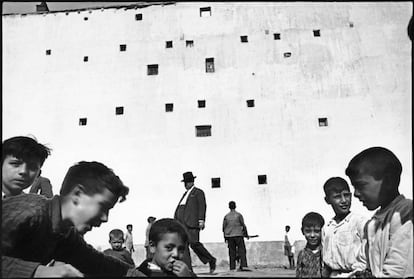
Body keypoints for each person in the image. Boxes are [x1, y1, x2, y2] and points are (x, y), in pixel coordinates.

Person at [1, 161, 144, 278]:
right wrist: (38, 272)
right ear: (77, 194)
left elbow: (98, 263)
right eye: (103, 207)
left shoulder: (65, 235)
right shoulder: (27, 210)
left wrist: (134, 274)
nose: (105, 218)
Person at [345, 147, 413, 277]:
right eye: (354, 187)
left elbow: (398, 270)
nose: (356, 193)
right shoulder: (372, 224)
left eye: (361, 185)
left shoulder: (405, 212)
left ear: (388, 181)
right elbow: (364, 263)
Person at [321, 177, 368, 277]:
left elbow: (370, 256)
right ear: (327, 200)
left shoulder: (360, 222)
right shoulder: (327, 228)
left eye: (346, 195)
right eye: (337, 197)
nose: (343, 200)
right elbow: (326, 262)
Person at [174, 171, 217, 273]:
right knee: (183, 246)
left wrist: (201, 220)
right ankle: (188, 269)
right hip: (182, 224)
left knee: (194, 243)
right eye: (185, 182)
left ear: (191, 182)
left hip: (192, 223)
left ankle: (210, 259)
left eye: (187, 182)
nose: (185, 184)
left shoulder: (198, 192)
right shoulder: (185, 194)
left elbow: (202, 206)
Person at [222, 201, 250, 272]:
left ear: (229, 207)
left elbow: (224, 227)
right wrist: (246, 234)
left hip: (230, 236)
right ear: (235, 206)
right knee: (242, 250)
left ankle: (232, 267)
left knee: (232, 252)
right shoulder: (238, 215)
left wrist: (225, 237)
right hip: (238, 235)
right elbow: (243, 225)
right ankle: (244, 265)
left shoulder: (226, 216)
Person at [296, 212, 325, 278]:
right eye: (308, 231)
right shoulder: (302, 254)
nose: (312, 235)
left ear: (323, 231)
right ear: (302, 231)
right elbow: (298, 274)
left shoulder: (326, 252)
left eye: (317, 231)